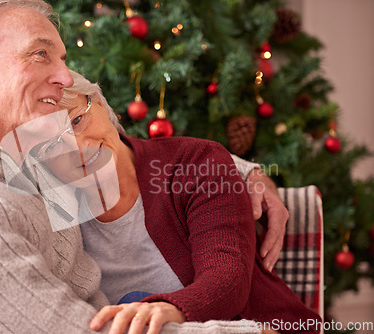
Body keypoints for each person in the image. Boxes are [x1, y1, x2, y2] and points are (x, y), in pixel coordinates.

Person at [0, 0, 287, 333]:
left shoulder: (14, 164)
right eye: (40, 54)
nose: (65, 77)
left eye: (62, 60)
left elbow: (171, 164)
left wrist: (245, 170)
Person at [20, 70, 321, 334]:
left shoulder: (195, 162)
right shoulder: (48, 209)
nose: (80, 148)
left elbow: (227, 278)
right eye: (54, 144)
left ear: (99, 104)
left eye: (77, 120)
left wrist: (165, 309)